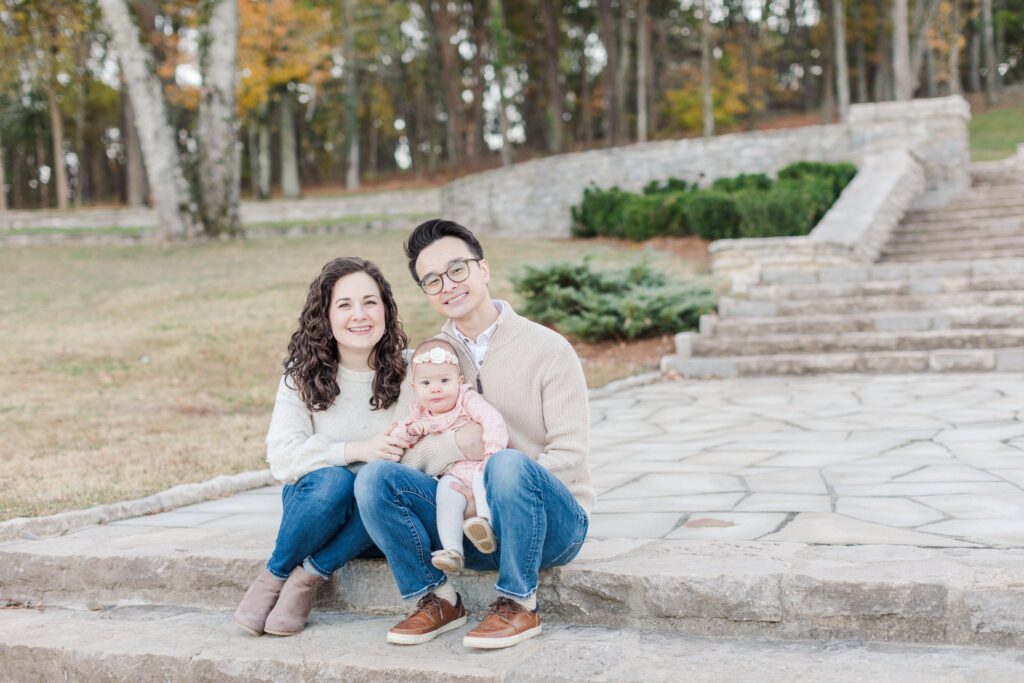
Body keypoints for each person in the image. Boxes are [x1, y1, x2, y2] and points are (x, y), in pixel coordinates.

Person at [356, 219, 594, 650]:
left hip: (549, 528)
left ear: (483, 269)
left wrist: (497, 486)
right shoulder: (427, 363)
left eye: (457, 270)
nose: (447, 285)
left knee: (504, 464)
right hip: (468, 529)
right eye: (432, 280)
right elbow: (404, 452)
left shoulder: (548, 349)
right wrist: (458, 467)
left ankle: (520, 603)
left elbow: (570, 454)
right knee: (374, 478)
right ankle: (437, 598)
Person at [233, 256, 425, 637]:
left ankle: (306, 578)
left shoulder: (413, 370)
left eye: (370, 302)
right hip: (316, 514)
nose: (360, 315)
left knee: (375, 486)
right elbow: (282, 458)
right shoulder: (300, 377)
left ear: (386, 309)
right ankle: (274, 577)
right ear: (325, 315)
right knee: (333, 481)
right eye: (345, 305)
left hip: (378, 522)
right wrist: (355, 449)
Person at [388, 338, 509, 573]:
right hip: (452, 475)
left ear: (459, 382)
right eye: (426, 383)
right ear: (415, 388)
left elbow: (492, 420)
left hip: (478, 464)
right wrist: (411, 431)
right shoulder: (419, 412)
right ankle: (453, 551)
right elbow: (399, 438)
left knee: (484, 482)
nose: (436, 388)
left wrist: (493, 452)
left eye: (444, 381)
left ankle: (485, 525)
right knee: (446, 497)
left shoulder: (466, 400)